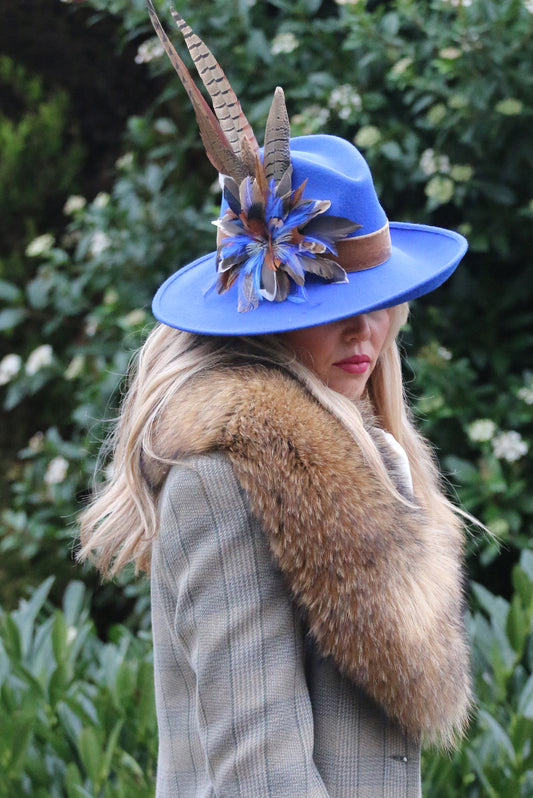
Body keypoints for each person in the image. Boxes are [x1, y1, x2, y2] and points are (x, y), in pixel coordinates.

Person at [78, 5, 473, 796]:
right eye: (328, 307)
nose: (364, 330)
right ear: (263, 314)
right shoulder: (225, 485)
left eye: (379, 299)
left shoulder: (374, 464)